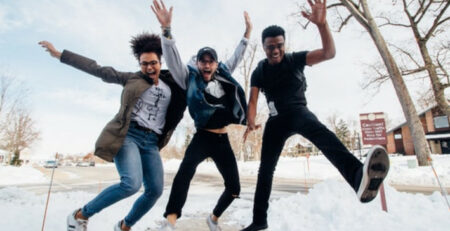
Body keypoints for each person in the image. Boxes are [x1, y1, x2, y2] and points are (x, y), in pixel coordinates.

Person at [241, 0, 390, 230]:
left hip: (298, 111)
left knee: (323, 136)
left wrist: (322, 25)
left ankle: (358, 177)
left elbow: (328, 53)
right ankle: (259, 221)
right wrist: (250, 121)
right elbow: (252, 100)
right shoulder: (259, 71)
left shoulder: (294, 59)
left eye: (279, 45)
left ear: (284, 44)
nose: (276, 50)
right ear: (263, 47)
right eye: (271, 47)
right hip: (276, 120)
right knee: (265, 170)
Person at [38, 33, 186, 231]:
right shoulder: (132, 79)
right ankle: (79, 215)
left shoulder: (173, 83)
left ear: (160, 62)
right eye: (144, 64)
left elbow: (190, 75)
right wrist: (60, 55)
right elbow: (98, 69)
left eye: (153, 63)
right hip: (128, 137)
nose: (149, 68)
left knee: (155, 191)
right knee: (131, 184)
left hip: (151, 143)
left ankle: (124, 226)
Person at [150, 1, 251, 230]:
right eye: (202, 61)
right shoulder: (189, 78)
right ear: (197, 63)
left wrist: (246, 34)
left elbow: (236, 57)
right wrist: (166, 32)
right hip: (202, 137)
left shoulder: (222, 75)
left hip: (222, 139)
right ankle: (171, 220)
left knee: (234, 188)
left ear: (215, 64)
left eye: (210, 61)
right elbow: (173, 59)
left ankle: (213, 218)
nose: (207, 65)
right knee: (184, 174)